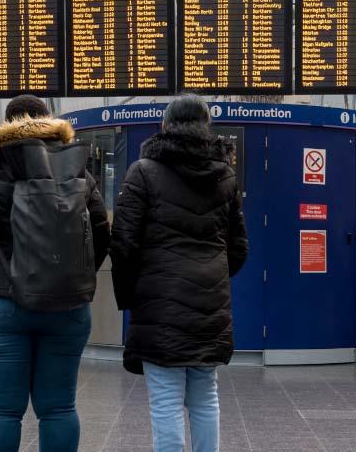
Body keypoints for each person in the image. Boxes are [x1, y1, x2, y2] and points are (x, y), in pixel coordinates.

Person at [0, 94, 111, 452]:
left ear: (4, 125)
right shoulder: (77, 170)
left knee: (2, 411)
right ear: (49, 121)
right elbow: (100, 231)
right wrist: (74, 278)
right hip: (66, 305)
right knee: (60, 407)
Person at [111, 95, 248, 452]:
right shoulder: (226, 176)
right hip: (210, 305)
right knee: (206, 396)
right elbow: (239, 248)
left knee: (166, 400)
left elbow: (123, 244)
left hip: (159, 307)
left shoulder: (142, 172)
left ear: (164, 127)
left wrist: (132, 295)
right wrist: (211, 276)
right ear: (207, 128)